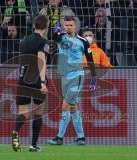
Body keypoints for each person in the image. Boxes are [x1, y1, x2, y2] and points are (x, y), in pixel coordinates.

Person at [46, 17, 98, 145]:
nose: (69, 27)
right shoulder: (61, 37)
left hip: (77, 76)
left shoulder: (83, 41)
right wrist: (54, 31)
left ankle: (59, 138)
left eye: (71, 25)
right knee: (73, 107)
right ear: (64, 26)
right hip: (65, 76)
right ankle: (81, 138)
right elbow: (54, 38)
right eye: (66, 25)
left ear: (75, 26)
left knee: (65, 105)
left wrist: (94, 77)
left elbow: (90, 59)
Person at [11, 15, 49, 152]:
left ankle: (15, 134)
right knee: (38, 112)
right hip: (36, 79)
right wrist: (43, 82)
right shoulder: (43, 42)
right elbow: (41, 61)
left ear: (34, 25)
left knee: (23, 113)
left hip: (22, 78)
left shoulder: (24, 40)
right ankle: (33, 145)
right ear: (45, 28)